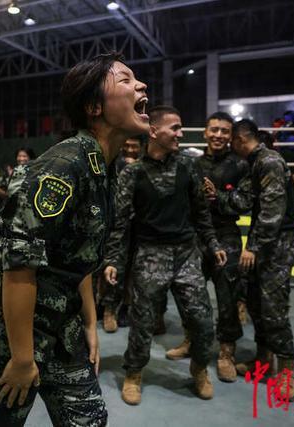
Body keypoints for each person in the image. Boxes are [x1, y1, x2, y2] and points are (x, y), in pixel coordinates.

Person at [0, 53, 149, 426]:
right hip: (5, 338)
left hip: (61, 326)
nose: (141, 85)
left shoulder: (106, 170)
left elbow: (79, 260)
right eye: (125, 80)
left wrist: (90, 325)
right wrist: (23, 360)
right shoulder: (63, 166)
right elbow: (19, 266)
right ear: (94, 107)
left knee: (89, 420)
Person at [103, 105, 226, 404]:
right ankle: (133, 373)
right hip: (150, 254)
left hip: (186, 254)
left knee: (201, 320)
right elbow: (120, 222)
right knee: (142, 322)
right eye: (175, 128)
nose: (180, 134)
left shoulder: (188, 166)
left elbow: (200, 212)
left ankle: (199, 368)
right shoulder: (132, 173)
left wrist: (212, 243)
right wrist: (113, 260)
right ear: (153, 131)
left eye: (180, 128)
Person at [220, 119, 294, 399]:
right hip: (262, 244)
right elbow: (242, 201)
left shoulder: (270, 161)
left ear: (241, 140)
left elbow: (272, 212)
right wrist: (215, 195)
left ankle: (287, 374)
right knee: (255, 301)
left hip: (276, 245)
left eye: (232, 141)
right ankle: (264, 362)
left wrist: (252, 247)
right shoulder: (254, 163)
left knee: (274, 305)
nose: (230, 146)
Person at [194, 112, 250, 382]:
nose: (218, 135)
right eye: (213, 129)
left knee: (227, 297)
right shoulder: (191, 164)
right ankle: (192, 342)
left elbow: (246, 201)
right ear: (205, 132)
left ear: (231, 136)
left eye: (224, 131)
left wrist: (218, 197)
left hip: (226, 235)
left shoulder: (240, 165)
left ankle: (227, 352)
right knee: (191, 295)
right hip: (195, 238)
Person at [100, 135, 143, 333]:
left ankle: (126, 307)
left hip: (142, 225)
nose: (130, 149)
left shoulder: (145, 166)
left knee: (134, 270)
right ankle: (109, 309)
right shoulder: (112, 164)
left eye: (134, 145)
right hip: (117, 224)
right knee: (115, 266)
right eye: (127, 145)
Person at [273, 111, 294, 200]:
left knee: (286, 173)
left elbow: (275, 140)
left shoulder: (281, 128)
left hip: (284, 152)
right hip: (293, 152)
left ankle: (289, 193)